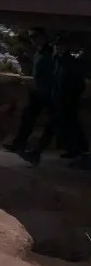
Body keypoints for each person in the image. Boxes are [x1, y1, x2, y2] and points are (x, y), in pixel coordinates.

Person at [20, 33, 88, 166]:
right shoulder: (58, 60)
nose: (58, 48)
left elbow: (78, 84)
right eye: (57, 45)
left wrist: (70, 98)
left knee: (69, 129)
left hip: (66, 102)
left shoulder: (70, 63)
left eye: (60, 45)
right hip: (59, 101)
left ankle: (80, 155)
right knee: (57, 128)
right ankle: (78, 154)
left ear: (66, 47)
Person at [5, 29, 55, 154]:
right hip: (38, 91)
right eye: (31, 37)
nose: (33, 39)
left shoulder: (49, 53)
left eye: (35, 37)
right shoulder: (39, 52)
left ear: (42, 37)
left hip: (47, 92)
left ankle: (35, 149)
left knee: (53, 122)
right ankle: (20, 144)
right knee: (28, 118)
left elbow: (51, 74)